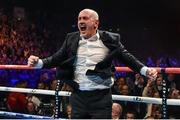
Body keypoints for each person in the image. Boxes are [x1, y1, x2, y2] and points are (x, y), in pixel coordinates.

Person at [28, 8, 157, 119]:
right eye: (79, 19)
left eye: (85, 18)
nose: (81, 22)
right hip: (78, 97)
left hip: (101, 98)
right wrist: (38, 63)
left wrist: (146, 71)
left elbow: (127, 58)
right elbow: (56, 58)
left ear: (96, 23)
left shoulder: (109, 39)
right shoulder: (71, 38)